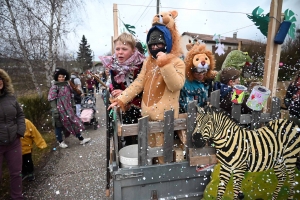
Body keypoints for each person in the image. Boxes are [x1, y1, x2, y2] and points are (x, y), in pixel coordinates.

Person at [108, 24, 185, 164]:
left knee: (163, 152)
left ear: (167, 43)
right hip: (147, 115)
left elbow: (176, 85)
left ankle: (162, 176)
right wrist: (121, 99)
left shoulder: (177, 62)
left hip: (164, 118)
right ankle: (151, 174)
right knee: (148, 150)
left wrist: (165, 64)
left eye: (159, 44)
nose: (155, 48)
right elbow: (138, 83)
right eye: (152, 45)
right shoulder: (148, 62)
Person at [99, 32, 146, 145]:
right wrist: (115, 92)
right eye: (117, 48)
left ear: (133, 50)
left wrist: (126, 93)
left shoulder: (142, 65)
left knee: (142, 137)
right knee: (126, 135)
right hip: (125, 107)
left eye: (124, 49)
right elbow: (115, 87)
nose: (120, 52)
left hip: (141, 107)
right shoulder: (114, 66)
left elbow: (145, 88)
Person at [48, 68, 91, 148]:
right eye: (59, 77)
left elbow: (71, 97)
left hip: (68, 109)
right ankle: (60, 141)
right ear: (57, 77)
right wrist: (55, 110)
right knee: (59, 126)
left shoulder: (67, 86)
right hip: (59, 110)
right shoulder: (55, 87)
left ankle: (81, 139)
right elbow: (52, 100)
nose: (61, 78)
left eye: (63, 76)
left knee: (73, 123)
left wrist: (73, 106)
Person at [0, 69, 25, 200]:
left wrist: (20, 131)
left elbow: (20, 115)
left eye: (0, 79)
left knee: (16, 173)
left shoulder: (10, 98)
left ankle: (17, 197)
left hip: (13, 142)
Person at [179, 44, 216, 113]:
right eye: (197, 72)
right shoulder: (187, 84)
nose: (201, 75)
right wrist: (202, 110)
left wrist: (207, 103)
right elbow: (189, 106)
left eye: (204, 71)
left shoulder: (207, 81)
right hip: (190, 117)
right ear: (190, 71)